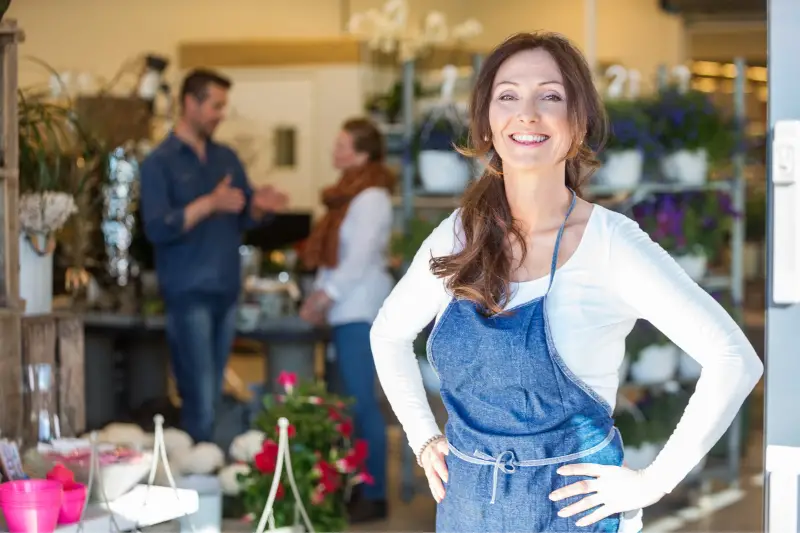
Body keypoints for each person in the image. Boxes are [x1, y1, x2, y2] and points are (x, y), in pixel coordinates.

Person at [369, 32, 763, 533]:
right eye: (507, 95)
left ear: (578, 122)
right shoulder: (458, 234)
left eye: (550, 96)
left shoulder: (611, 244)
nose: (527, 113)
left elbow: (734, 358)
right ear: (487, 121)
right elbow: (388, 334)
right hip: (466, 512)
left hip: (572, 517)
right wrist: (424, 437)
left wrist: (651, 482)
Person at [140, 69, 288, 444]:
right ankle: (199, 487)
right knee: (200, 397)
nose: (221, 114)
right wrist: (209, 203)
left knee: (214, 395)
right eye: (215, 105)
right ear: (190, 102)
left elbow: (243, 214)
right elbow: (157, 228)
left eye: (224, 106)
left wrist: (259, 207)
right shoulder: (160, 162)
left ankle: (207, 473)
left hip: (226, 291)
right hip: (188, 293)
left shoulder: (226, 158)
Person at [299, 118, 395, 522]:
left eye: (341, 145)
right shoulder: (347, 196)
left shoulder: (371, 196)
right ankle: (350, 486)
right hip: (344, 310)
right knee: (344, 405)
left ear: (361, 153)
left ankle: (373, 495)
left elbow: (357, 259)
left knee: (360, 404)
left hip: (360, 310)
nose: (334, 152)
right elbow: (336, 256)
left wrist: (323, 297)